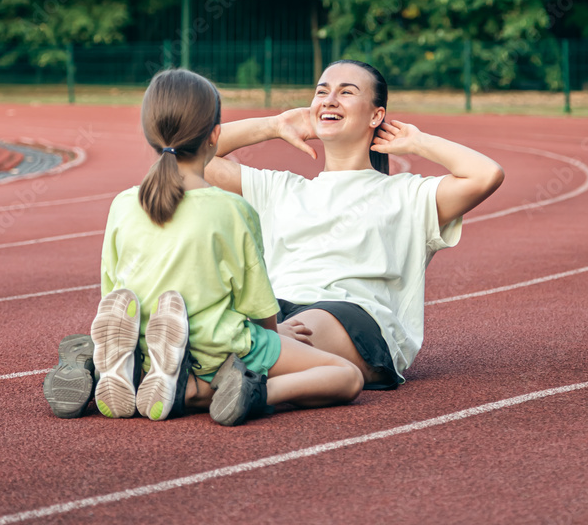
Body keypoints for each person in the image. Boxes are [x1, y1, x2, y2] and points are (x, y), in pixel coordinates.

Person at [43, 68, 363, 425]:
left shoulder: (123, 204)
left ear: (149, 133)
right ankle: (231, 391)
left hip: (145, 341)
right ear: (215, 136)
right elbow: (254, 300)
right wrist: (276, 335)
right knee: (347, 376)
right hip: (219, 347)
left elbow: (114, 291)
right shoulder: (231, 209)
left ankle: (122, 368)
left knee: (137, 328)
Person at [203, 59, 505, 388]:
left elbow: (486, 175)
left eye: (346, 92)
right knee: (232, 322)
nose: (330, 100)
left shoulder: (408, 194)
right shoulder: (280, 188)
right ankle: (200, 383)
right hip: (273, 312)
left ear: (376, 116)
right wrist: (273, 125)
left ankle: (198, 374)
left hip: (353, 317)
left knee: (253, 339)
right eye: (322, 92)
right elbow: (189, 157)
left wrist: (417, 141)